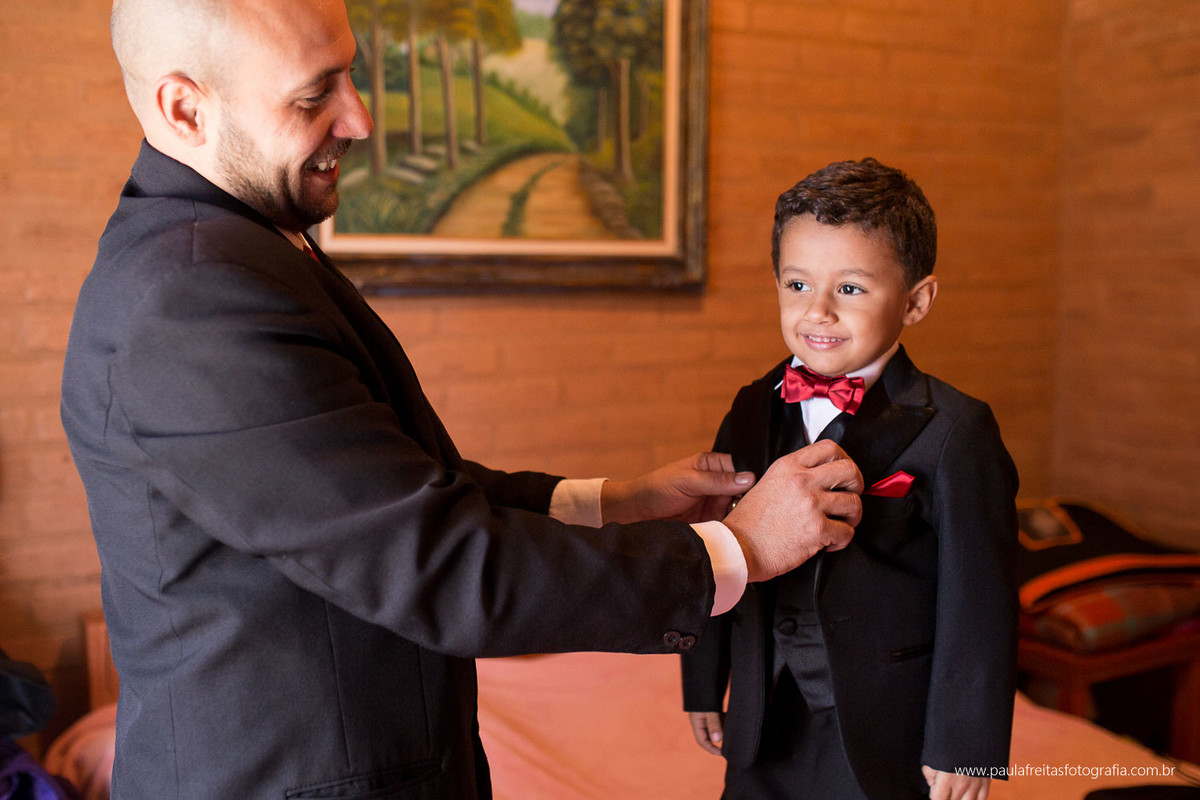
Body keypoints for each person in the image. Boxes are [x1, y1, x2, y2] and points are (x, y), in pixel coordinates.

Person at [59, 1, 866, 798]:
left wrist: (621, 503)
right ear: (185, 108)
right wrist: (737, 552)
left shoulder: (235, 249)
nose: (360, 119)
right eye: (316, 94)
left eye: (352, 77)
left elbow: (380, 487)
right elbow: (437, 564)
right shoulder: (194, 296)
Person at [680, 158, 1019, 800]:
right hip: (763, 707)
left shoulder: (957, 428)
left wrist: (968, 747)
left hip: (887, 718)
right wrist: (704, 678)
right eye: (797, 284)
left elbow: (980, 599)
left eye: (852, 289)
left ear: (916, 301)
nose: (819, 312)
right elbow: (715, 540)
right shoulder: (753, 406)